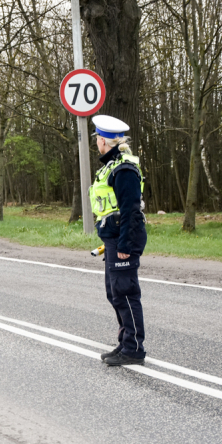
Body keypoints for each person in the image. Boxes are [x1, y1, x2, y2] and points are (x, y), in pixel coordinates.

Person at [88, 115, 148, 366]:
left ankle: (134, 349)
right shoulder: (111, 166)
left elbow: (131, 210)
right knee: (114, 293)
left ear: (103, 141)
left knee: (125, 292)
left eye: (97, 139)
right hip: (113, 238)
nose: (96, 143)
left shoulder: (123, 169)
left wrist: (125, 246)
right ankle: (125, 342)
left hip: (123, 240)